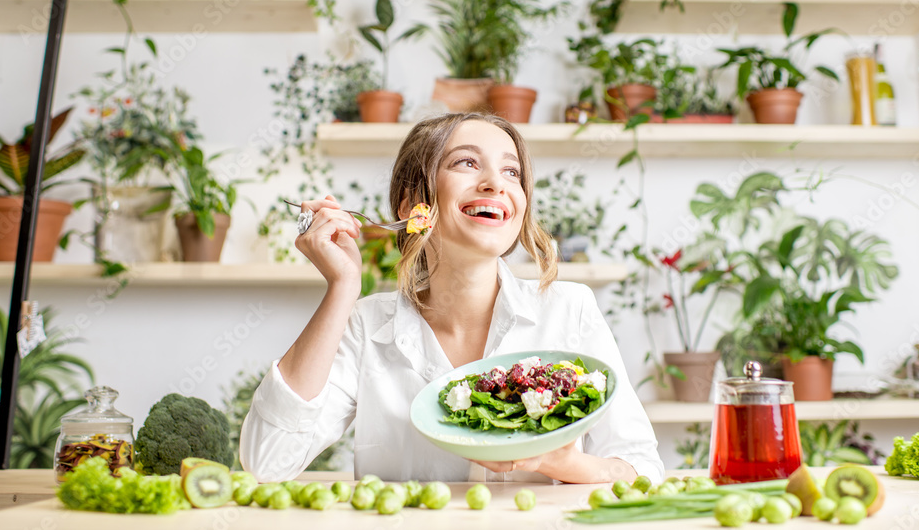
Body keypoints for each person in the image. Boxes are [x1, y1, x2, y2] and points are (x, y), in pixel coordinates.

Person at [240, 113, 663, 484]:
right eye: (466, 162)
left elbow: (642, 467)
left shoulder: (570, 310)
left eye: (512, 172)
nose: (496, 183)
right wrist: (343, 287)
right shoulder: (366, 325)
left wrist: (562, 463)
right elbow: (267, 462)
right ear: (413, 206)